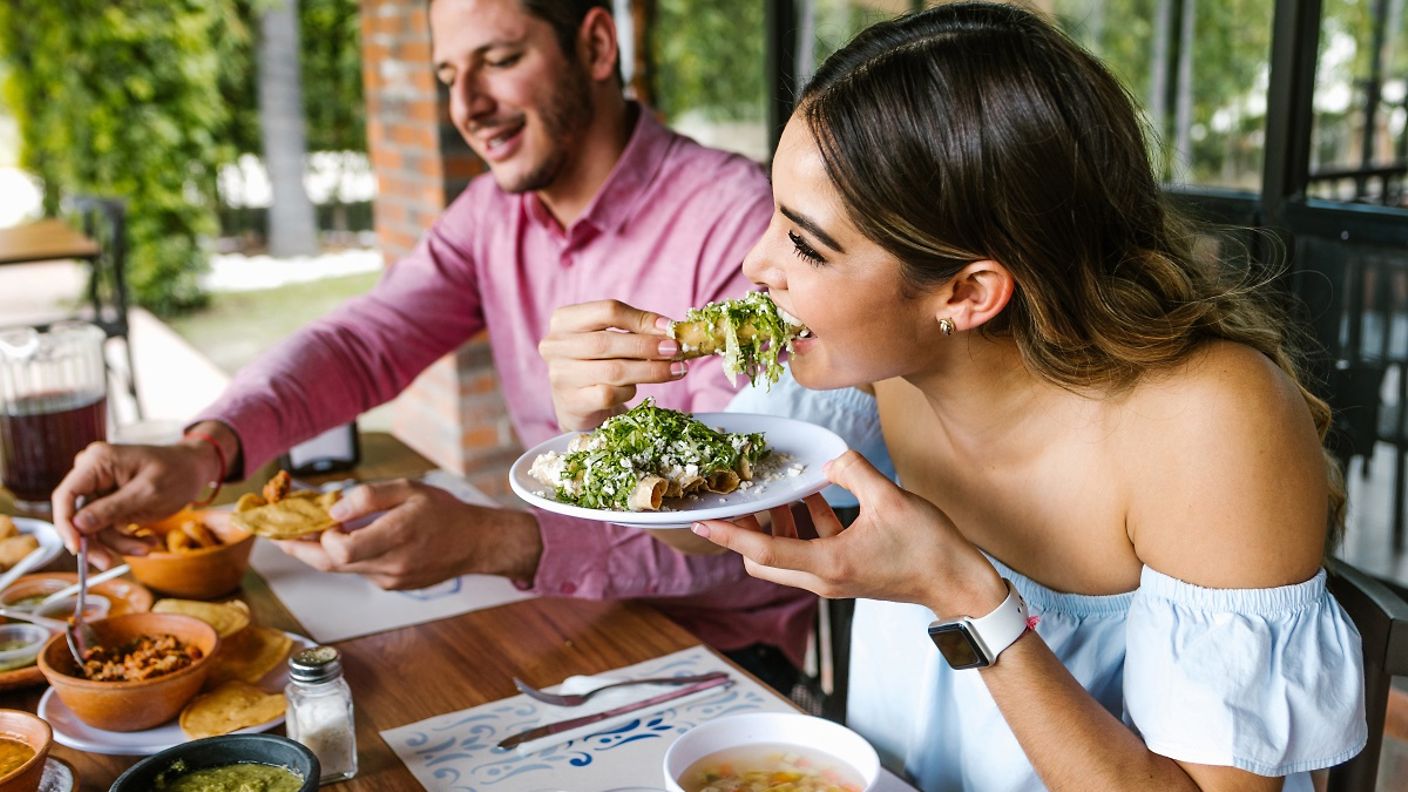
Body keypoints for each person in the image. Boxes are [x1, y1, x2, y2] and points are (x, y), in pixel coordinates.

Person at [552, 4, 1367, 790]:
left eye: (804, 242)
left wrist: (962, 594)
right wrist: (604, 437)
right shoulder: (874, 366)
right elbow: (714, 531)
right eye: (775, 217)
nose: (756, 267)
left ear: (969, 294)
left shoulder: (1211, 423)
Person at [50, 0, 816, 692]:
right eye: (449, 74)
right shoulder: (490, 215)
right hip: (562, 616)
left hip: (723, 653)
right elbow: (363, 342)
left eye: (500, 60)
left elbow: (741, 525)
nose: (467, 107)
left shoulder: (736, 223)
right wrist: (206, 451)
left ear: (596, 45)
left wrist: (494, 540)